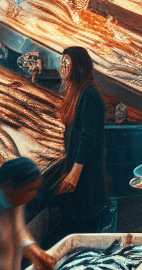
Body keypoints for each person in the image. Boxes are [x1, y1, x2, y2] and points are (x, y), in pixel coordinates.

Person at [42, 46, 108, 240]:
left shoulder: (88, 95)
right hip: (80, 169)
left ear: (79, 66)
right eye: (62, 63)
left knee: (84, 227)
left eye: (67, 63)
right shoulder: (78, 93)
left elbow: (88, 137)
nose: (63, 67)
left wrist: (74, 174)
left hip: (86, 174)